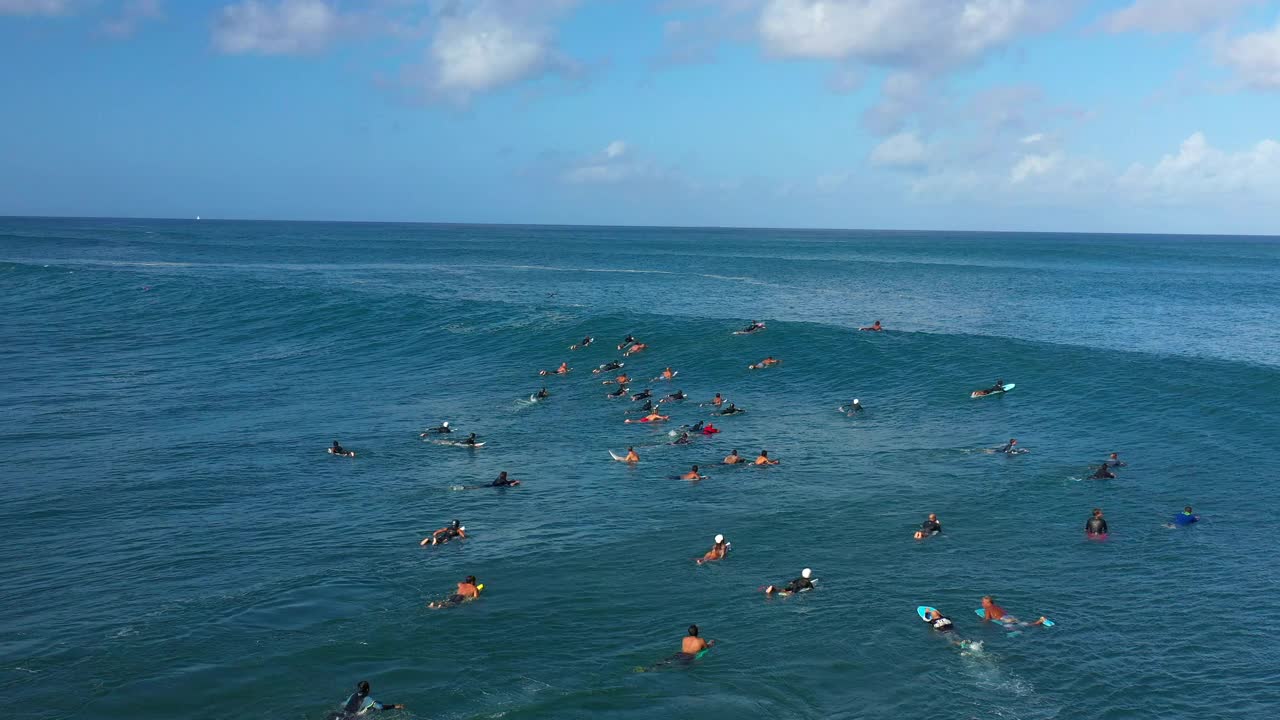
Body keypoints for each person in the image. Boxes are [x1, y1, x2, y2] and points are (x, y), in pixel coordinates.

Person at [330, 680, 403, 718]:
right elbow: (381, 707)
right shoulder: (368, 700)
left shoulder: (353, 695)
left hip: (339, 715)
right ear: (368, 689)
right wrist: (395, 706)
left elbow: (343, 704)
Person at [980, 596, 1047, 626]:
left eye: (983, 602)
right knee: (1020, 623)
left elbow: (987, 619)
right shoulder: (996, 606)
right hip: (1009, 616)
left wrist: (982, 623)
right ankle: (1039, 621)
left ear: (988, 603)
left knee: (1011, 627)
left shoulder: (987, 608)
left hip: (1004, 619)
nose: (982, 604)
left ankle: (1038, 622)